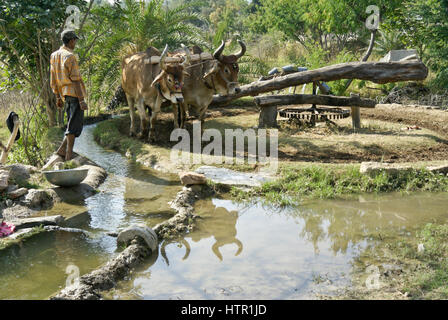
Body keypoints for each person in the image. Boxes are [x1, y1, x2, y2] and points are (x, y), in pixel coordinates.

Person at [50, 30, 88, 161]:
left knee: (71, 123)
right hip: (74, 93)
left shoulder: (54, 55)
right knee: (74, 126)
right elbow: (76, 79)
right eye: (75, 41)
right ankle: (68, 154)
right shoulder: (70, 56)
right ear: (71, 41)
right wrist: (82, 100)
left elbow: (53, 78)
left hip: (64, 94)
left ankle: (62, 149)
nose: (75, 43)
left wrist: (58, 97)